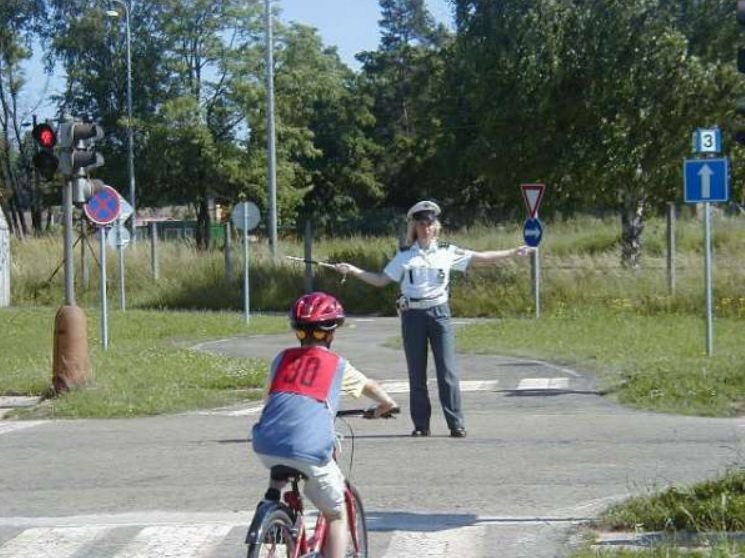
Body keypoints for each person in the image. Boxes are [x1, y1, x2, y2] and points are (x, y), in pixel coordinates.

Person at [334, 200, 533, 439]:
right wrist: (352, 270)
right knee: (416, 373)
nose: (426, 228)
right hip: (412, 316)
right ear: (415, 228)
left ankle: (456, 423)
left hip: (439, 313)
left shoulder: (447, 251)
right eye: (421, 224)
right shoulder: (405, 255)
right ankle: (421, 425)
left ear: (436, 226)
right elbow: (380, 280)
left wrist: (512, 252)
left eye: (430, 223)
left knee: (447, 372)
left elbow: (481, 258)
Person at [251, 291, 398, 558]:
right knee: (336, 513)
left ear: (298, 332)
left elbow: (270, 398)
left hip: (265, 443)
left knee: (283, 457)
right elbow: (370, 387)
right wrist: (386, 406)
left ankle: (272, 499)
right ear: (331, 333)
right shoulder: (336, 365)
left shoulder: (280, 360)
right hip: (307, 448)